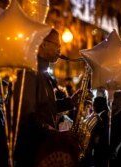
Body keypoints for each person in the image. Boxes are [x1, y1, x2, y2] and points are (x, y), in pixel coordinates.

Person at [14, 28, 80, 167]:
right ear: (43, 44)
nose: (60, 49)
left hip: (42, 147)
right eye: (58, 45)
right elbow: (27, 116)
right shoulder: (30, 71)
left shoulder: (42, 72)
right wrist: (56, 134)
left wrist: (70, 102)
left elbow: (44, 107)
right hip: (32, 152)